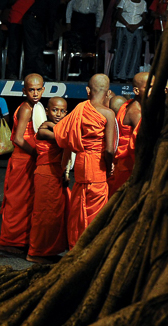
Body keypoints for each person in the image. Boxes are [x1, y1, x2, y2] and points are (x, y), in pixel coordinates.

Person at [54, 73, 117, 248]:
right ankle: (89, 249)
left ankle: (75, 247)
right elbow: (110, 149)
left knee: (79, 205)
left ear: (88, 90)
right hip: (98, 165)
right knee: (95, 211)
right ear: (108, 92)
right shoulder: (108, 114)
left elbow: (65, 136)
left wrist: (64, 166)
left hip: (82, 162)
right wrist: (110, 165)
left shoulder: (80, 109)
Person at [0, 73, 42, 254]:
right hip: (23, 160)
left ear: (43, 89)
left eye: (39, 89)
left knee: (25, 202)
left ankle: (19, 240)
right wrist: (37, 154)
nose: (36, 93)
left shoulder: (35, 107)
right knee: (17, 203)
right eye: (31, 90)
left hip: (26, 160)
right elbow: (17, 138)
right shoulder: (26, 109)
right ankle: (8, 242)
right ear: (24, 91)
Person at [26, 96, 69, 263]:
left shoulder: (59, 127)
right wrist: (54, 125)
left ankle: (49, 250)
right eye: (55, 110)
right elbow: (63, 138)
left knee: (53, 215)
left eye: (62, 111)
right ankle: (35, 252)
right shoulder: (43, 128)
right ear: (46, 111)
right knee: (43, 214)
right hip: (45, 175)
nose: (58, 114)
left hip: (56, 174)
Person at [106, 70, 146, 198]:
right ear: (136, 91)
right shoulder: (136, 113)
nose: (154, 90)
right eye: (149, 87)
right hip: (129, 167)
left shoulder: (128, 105)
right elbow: (138, 146)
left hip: (123, 165)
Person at [112, 0, 147, 81]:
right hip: (124, 27)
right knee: (123, 50)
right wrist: (127, 25)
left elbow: (144, 17)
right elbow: (118, 14)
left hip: (137, 29)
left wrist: (137, 25)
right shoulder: (125, 1)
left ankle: (131, 75)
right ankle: (118, 75)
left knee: (135, 52)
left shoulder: (143, 3)